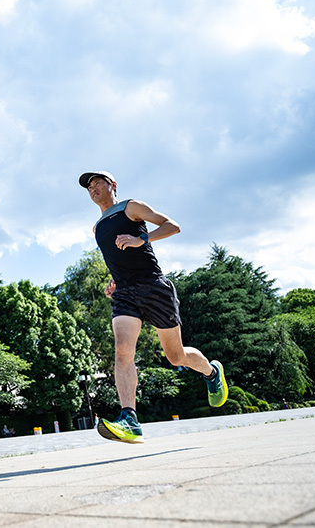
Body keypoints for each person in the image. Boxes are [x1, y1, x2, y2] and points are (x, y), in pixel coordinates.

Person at [80, 171, 228, 444]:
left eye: (97, 182)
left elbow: (172, 225)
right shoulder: (97, 227)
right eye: (88, 186)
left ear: (112, 185)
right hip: (125, 293)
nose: (92, 188)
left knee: (176, 356)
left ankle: (211, 372)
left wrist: (142, 239)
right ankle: (130, 419)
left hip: (154, 287)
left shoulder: (130, 207)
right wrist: (114, 280)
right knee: (122, 350)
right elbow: (118, 257)